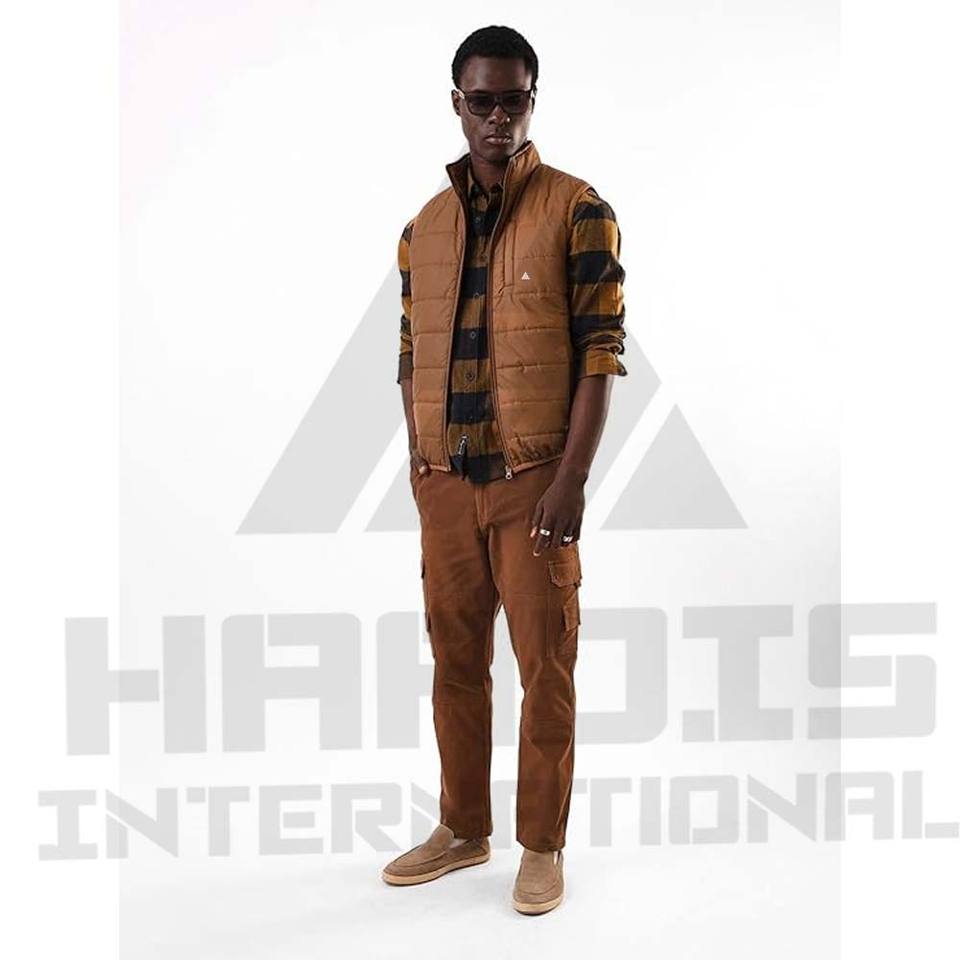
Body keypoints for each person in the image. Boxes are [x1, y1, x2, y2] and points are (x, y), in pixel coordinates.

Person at [381, 24, 627, 916]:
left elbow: (601, 351)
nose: (497, 118)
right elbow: (410, 350)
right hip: (447, 486)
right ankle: (462, 828)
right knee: (455, 664)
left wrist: (572, 478)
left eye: (512, 101)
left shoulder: (578, 209)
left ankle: (540, 846)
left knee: (544, 668)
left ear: (531, 101)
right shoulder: (423, 229)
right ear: (457, 103)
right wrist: (422, 461)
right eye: (480, 101)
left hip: (534, 484)